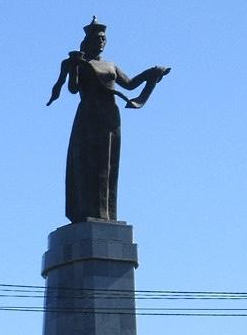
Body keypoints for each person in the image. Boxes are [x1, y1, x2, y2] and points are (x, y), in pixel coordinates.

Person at [47, 17, 170, 223]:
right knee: (87, 162)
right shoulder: (80, 63)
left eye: (104, 38)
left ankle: (106, 213)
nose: (102, 42)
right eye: (98, 38)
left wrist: (151, 73)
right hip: (88, 115)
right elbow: (73, 89)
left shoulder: (111, 65)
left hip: (110, 116)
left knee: (108, 162)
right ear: (88, 41)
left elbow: (130, 85)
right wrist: (75, 68)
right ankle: (86, 212)